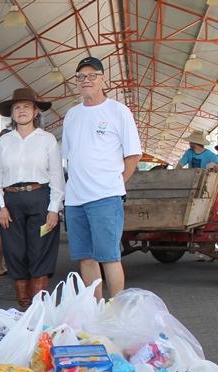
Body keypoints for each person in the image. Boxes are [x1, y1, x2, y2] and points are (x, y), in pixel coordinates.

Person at [61, 57, 142, 301]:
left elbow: (134, 154)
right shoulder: (72, 115)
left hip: (105, 197)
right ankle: (94, 309)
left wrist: (116, 184)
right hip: (75, 200)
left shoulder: (118, 111)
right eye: (81, 77)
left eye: (92, 75)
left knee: (109, 257)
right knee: (85, 258)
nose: (86, 80)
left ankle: (116, 312)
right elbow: (69, 157)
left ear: (103, 79)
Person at [0, 88, 65, 310]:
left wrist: (54, 209)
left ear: (35, 112)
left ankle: (39, 307)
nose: (22, 111)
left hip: (40, 197)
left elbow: (56, 176)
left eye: (26, 107)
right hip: (11, 201)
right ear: (12, 114)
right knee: (14, 249)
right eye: (17, 107)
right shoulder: (5, 141)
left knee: (40, 250)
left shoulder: (47, 139)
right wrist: (0, 206)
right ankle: (23, 305)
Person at [0, 127, 12, 277]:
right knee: (11, 231)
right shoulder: (12, 152)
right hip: (10, 194)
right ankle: (10, 264)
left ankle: (0, 266)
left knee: (0, 231)